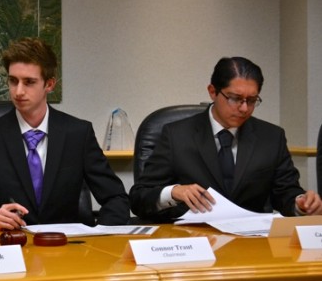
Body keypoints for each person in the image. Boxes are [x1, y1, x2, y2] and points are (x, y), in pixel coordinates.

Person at [0, 37, 130, 231]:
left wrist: (97, 236)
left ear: (49, 85)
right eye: (13, 81)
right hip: (10, 248)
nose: (18, 91)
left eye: (29, 82)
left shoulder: (77, 133)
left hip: (65, 250)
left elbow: (116, 199)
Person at [129, 57, 322, 222]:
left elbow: (286, 193)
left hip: (252, 245)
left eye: (252, 100)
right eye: (235, 98)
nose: (244, 108)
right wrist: (173, 192)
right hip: (192, 241)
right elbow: (139, 197)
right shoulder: (176, 135)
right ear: (213, 91)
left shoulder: (271, 137)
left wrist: (301, 203)